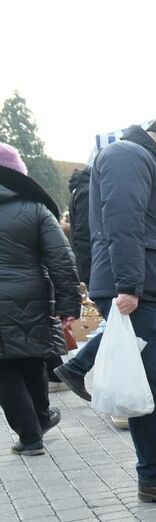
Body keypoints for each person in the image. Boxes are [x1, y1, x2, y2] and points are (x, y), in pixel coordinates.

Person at [56, 111, 156, 503]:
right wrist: (128, 285)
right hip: (139, 291)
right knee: (148, 388)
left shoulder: (137, 160)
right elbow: (122, 221)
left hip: (151, 292)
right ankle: (155, 476)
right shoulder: (127, 156)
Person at [0, 143, 80, 455]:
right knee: (33, 356)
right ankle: (42, 417)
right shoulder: (36, 208)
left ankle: (30, 435)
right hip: (32, 294)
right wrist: (68, 303)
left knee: (4, 370)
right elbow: (62, 259)